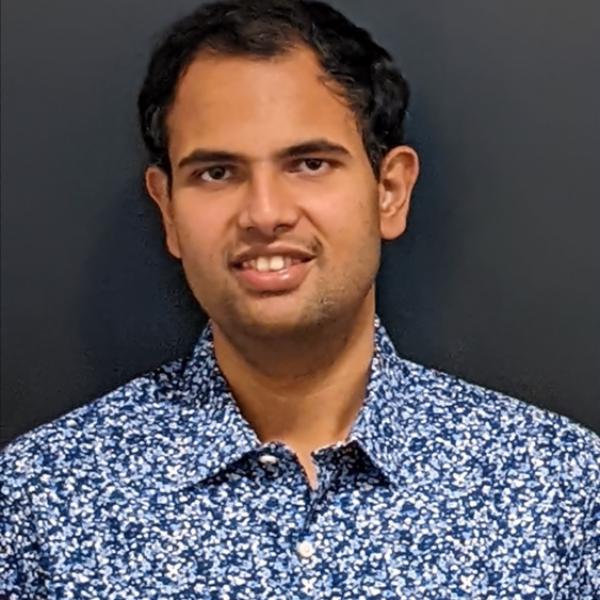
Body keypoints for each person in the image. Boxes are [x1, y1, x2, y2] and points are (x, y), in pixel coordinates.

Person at [1, 0, 598, 597]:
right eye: (217, 173)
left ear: (390, 192)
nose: (265, 214)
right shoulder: (43, 503)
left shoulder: (556, 492)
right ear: (169, 211)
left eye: (310, 163)